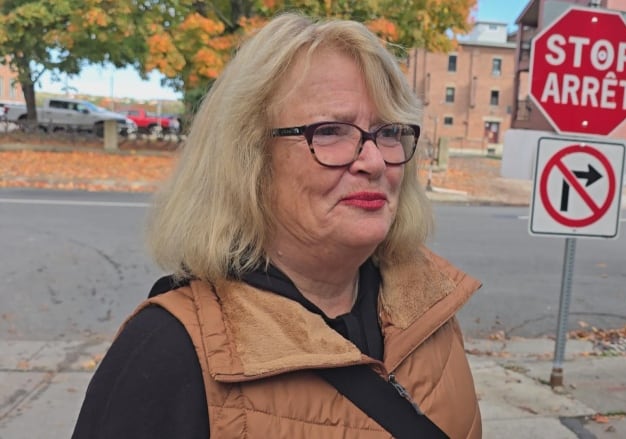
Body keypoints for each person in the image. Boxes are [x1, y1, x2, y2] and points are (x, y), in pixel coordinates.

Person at [72, 12, 482, 439]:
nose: (375, 161)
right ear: (249, 160)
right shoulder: (168, 352)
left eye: (389, 132)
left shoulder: (429, 311)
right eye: (330, 131)